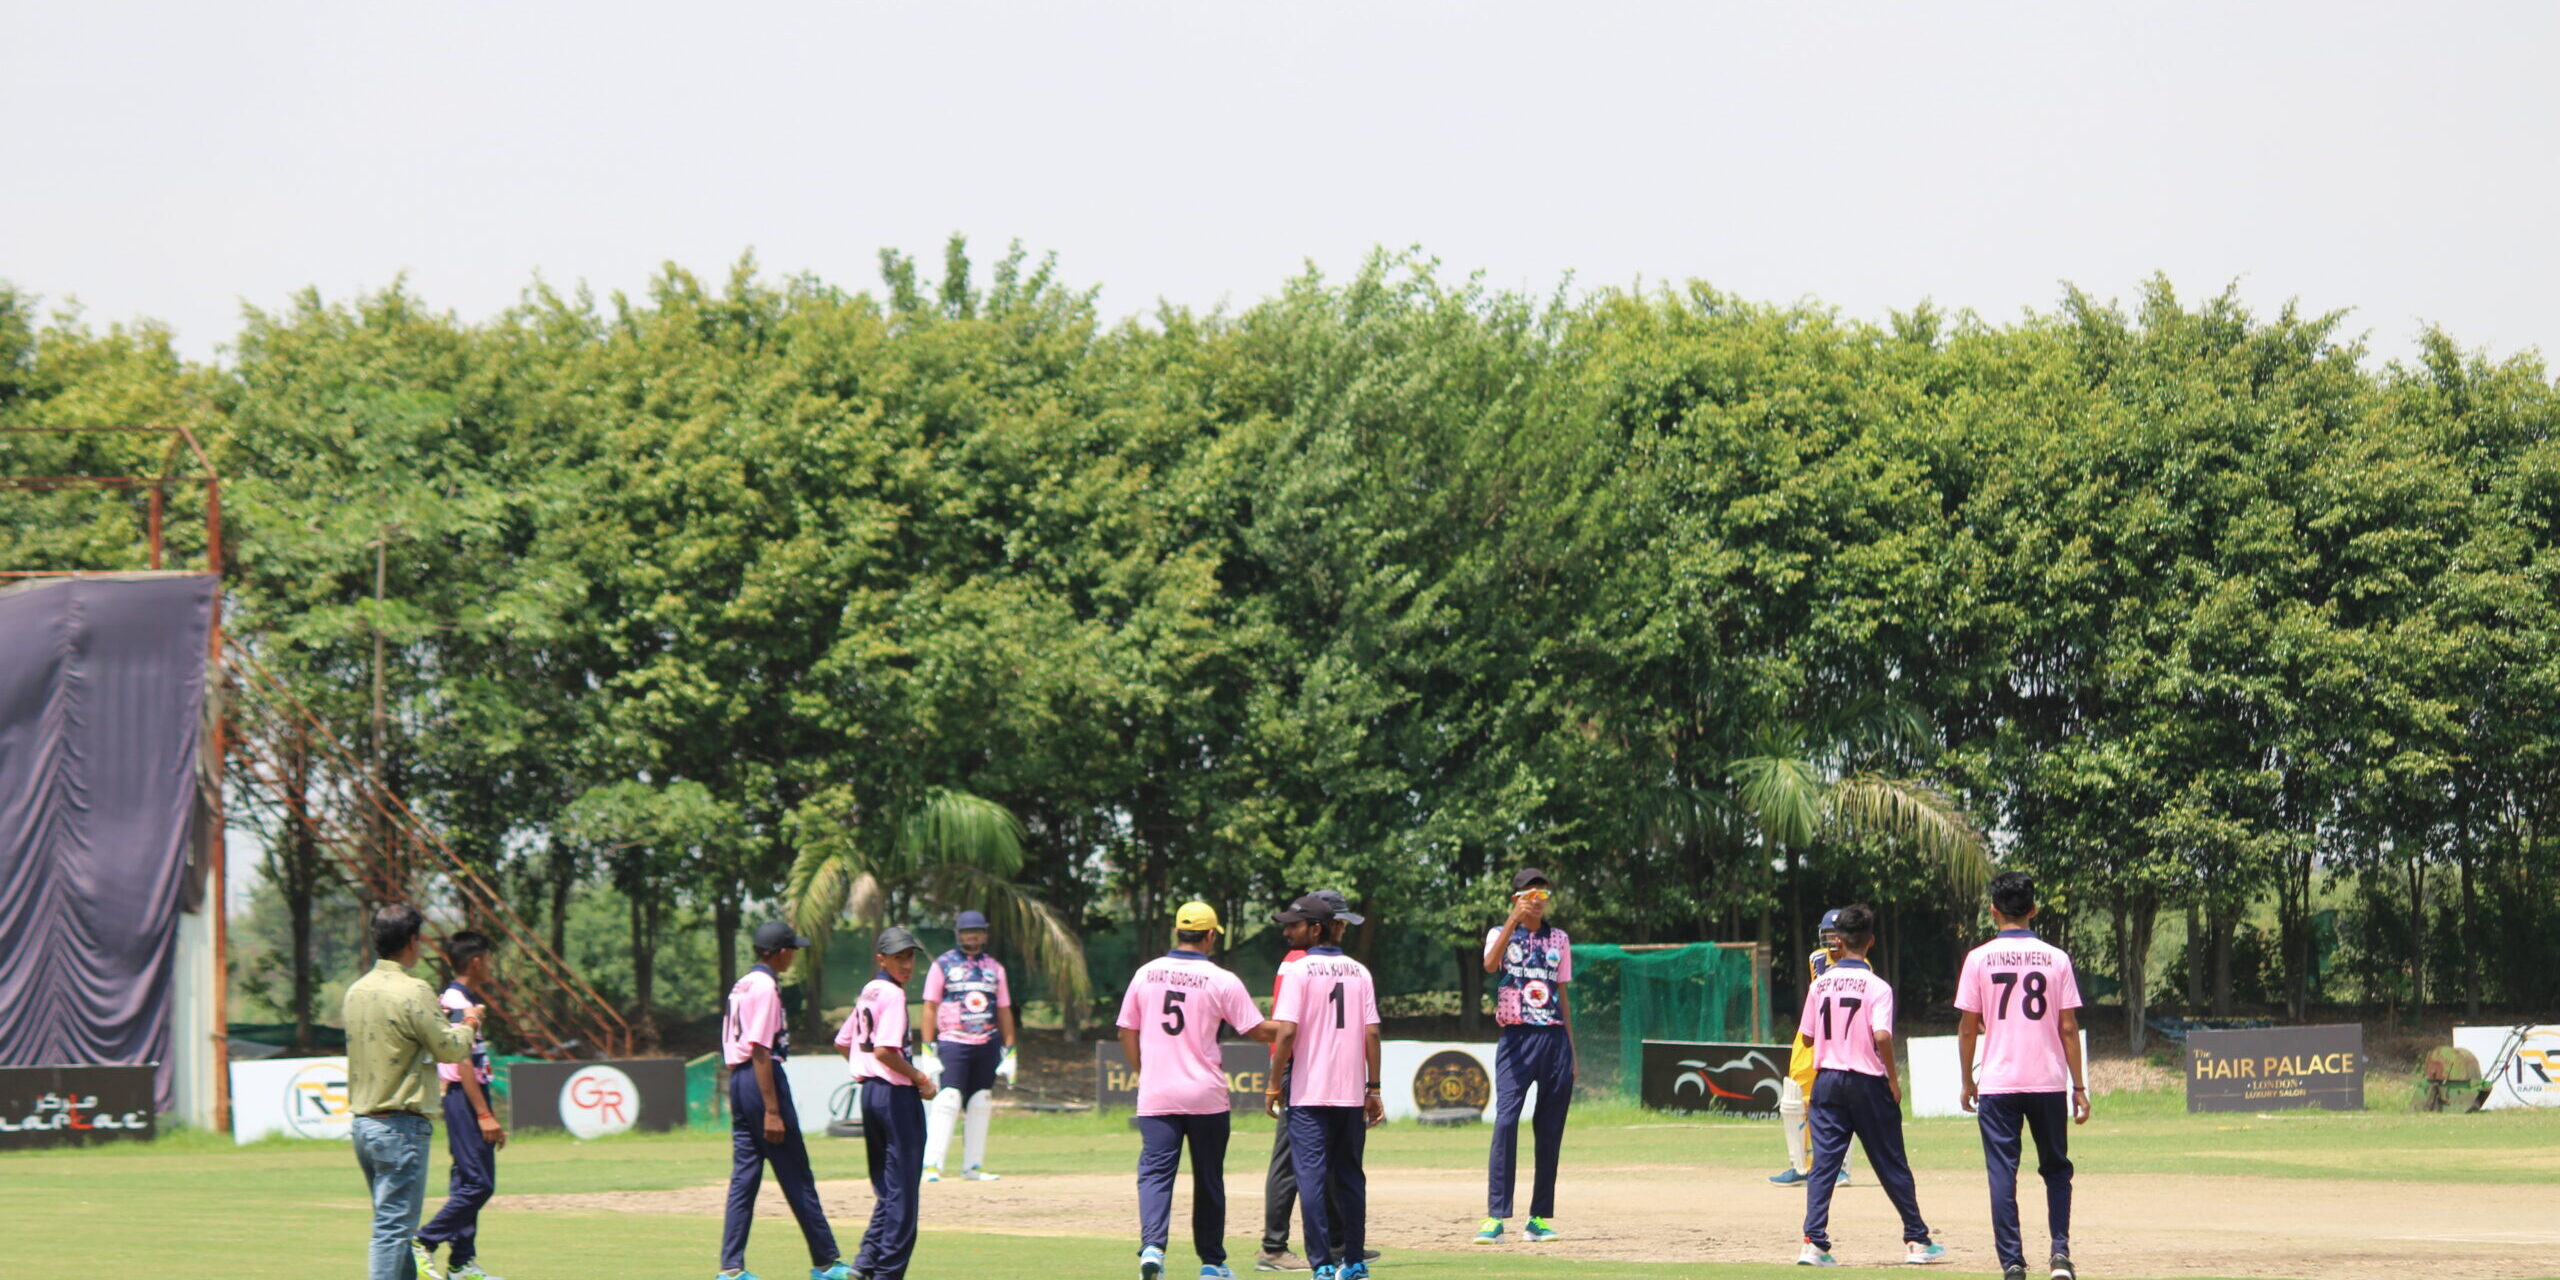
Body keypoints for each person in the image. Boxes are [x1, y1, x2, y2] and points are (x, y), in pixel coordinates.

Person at [1118, 901, 1281, 1280]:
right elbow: (1257, 1031)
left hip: (1158, 1095)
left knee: (1156, 1174)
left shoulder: (1147, 973)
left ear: (1178, 931)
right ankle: (1212, 1263)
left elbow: (1127, 1029)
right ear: (1210, 936)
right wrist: (1297, 1027)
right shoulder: (1221, 979)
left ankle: (1153, 1249)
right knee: (1209, 1178)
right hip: (1205, 1096)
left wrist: (1145, 1071)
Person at [1795, 904, 1945, 1267]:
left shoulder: (1820, 984)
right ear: (1871, 942)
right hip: (1866, 1081)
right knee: (1891, 1161)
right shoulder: (1878, 986)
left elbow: (1810, 1038)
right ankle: (1917, 1240)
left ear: (1839, 942)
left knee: (1825, 1165)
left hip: (1827, 1081)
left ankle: (1813, 1243)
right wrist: (1893, 1078)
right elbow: (1881, 1034)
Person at [1956, 872, 2089, 1280]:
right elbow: (2068, 1028)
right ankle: (2060, 1255)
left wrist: (1967, 1080)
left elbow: (1967, 1026)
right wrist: (2079, 1086)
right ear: (2033, 910)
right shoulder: (2056, 958)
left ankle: (2012, 1262)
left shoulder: (1978, 958)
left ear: (1993, 911)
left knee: (2002, 1173)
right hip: (2047, 1080)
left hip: (1998, 1083)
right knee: (2056, 1169)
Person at [341, 903, 481, 1280]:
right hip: (400, 1127)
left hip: (364, 1126)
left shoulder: (356, 990)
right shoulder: (413, 989)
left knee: (396, 1227)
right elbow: (450, 1049)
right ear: (413, 942)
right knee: (392, 1230)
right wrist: (469, 1022)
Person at [718, 920, 855, 1280]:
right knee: (796, 1173)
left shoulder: (742, 984)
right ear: (780, 952)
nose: (794, 954)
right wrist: (773, 1110)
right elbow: (761, 1048)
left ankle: (731, 1269)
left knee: (744, 1179)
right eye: (792, 948)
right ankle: (826, 1262)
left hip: (739, 1079)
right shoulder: (765, 986)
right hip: (762, 1078)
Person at [1256, 890, 1378, 1272]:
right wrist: (1374, 1088)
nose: (1289, 932)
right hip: (1350, 1092)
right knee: (1350, 1179)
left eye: (1296, 925)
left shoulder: (1299, 970)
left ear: (1315, 929)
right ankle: (1354, 1261)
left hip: (1309, 1092)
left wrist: (1274, 1083)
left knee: (1309, 1179)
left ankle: (1323, 1263)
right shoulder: (1360, 971)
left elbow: (1287, 1032)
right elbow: (1372, 1034)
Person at [1472, 867, 1573, 1245]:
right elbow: (1490, 965)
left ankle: (1539, 1218)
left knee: (1549, 1130)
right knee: (1506, 1122)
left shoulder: (1559, 939)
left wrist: (1572, 1052)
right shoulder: (1499, 935)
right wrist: (1512, 922)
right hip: (1516, 1039)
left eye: (1543, 895)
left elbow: (1562, 995)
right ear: (1516, 898)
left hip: (1554, 1039)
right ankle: (1495, 1216)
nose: (1538, 901)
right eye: (1531, 894)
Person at [841, 927, 939, 1280]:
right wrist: (919, 1078)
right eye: (899, 957)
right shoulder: (894, 995)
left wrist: (863, 1067)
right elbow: (885, 1050)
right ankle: (887, 1273)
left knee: (888, 1188)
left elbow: (843, 1042)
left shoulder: (869, 990)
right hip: (895, 1096)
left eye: (910, 956)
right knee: (904, 1196)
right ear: (881, 959)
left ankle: (865, 1262)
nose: (907, 964)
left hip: (871, 1095)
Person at [416, 931, 507, 1280]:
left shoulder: (463, 998)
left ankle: (461, 1264)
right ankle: (423, 1243)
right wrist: (483, 1114)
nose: (490, 966)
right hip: (463, 1097)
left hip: (468, 1097)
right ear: (477, 961)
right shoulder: (457, 1000)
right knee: (478, 1185)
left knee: (466, 1181)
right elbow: (462, 1061)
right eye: (489, 959)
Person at [920, 909, 1016, 1183]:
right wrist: (928, 1049)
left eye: (976, 931)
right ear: (957, 934)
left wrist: (1010, 1051)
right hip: (953, 1041)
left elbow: (1005, 1009)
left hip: (987, 1041)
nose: (971, 936)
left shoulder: (994, 968)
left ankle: (972, 1166)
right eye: (966, 931)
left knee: (980, 1101)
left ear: (985, 934)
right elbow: (929, 1007)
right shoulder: (943, 965)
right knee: (948, 1098)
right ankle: (931, 1165)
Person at [1771, 909, 1853, 1188]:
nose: (1831, 939)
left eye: (1836, 933)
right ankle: (1801, 1166)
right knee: (1795, 1099)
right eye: (1828, 933)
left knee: (1842, 1102)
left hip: (1842, 1040)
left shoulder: (1861, 963)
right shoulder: (1816, 959)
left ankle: (1839, 1167)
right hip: (1812, 1035)